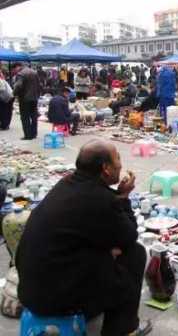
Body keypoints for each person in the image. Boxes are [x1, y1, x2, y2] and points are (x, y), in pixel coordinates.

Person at [16, 140, 152, 336]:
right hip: (54, 296)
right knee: (135, 254)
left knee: (106, 253)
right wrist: (123, 198)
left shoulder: (67, 184)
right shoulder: (99, 200)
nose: (121, 164)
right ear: (105, 168)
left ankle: (91, 309)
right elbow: (129, 235)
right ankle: (123, 329)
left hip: (32, 288)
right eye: (118, 159)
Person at [13, 63, 40, 140]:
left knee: (25, 117)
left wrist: (14, 93)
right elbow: (39, 85)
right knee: (34, 116)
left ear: (17, 67)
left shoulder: (21, 74)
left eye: (14, 69)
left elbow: (18, 85)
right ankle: (34, 133)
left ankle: (28, 135)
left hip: (25, 99)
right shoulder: (34, 72)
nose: (14, 71)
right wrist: (38, 95)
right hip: (34, 98)